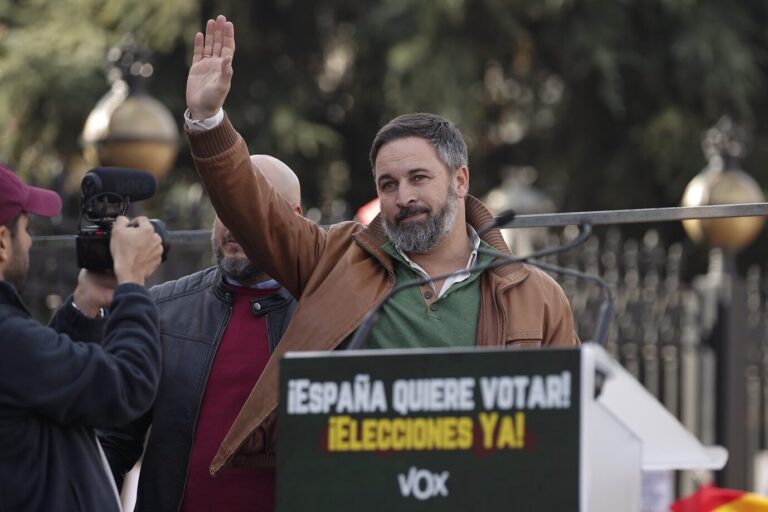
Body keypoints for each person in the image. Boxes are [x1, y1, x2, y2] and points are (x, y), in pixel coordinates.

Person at [184, 15, 578, 477]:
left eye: (418, 178)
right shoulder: (336, 259)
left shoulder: (535, 295)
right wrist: (209, 121)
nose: (403, 197)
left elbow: (567, 436)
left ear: (460, 180)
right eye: (387, 184)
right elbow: (253, 212)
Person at [98, 155, 302, 512]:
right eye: (225, 204)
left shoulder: (324, 315)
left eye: (250, 205)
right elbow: (111, 444)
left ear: (295, 218)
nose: (233, 222)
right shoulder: (161, 310)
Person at [0, 164, 163, 511]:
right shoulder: (8, 338)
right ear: (2, 241)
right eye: (26, 229)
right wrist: (132, 284)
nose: (28, 241)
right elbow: (128, 384)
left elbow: (43, 384)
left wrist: (84, 303)